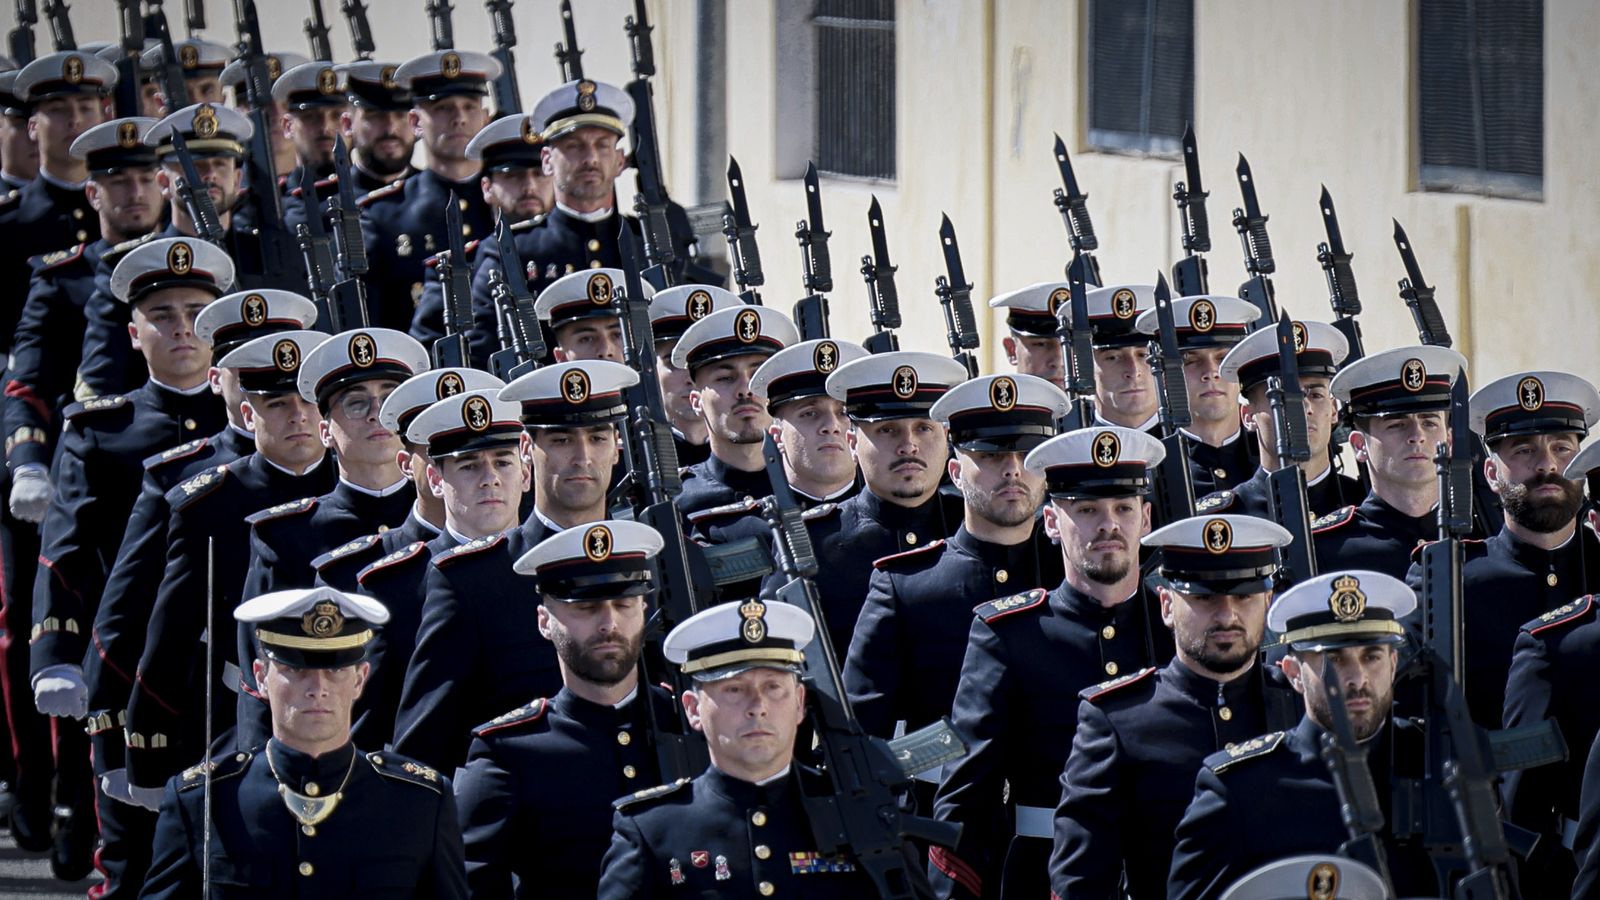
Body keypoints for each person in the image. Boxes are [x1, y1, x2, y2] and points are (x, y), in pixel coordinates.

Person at [87, 288, 319, 899]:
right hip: (212, 710)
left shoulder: (349, 480)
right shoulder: (192, 486)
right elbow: (135, 615)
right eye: (263, 385)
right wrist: (124, 737)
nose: (294, 414)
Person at [928, 425, 1176, 900]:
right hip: (1041, 875)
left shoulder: (1176, 629)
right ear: (1050, 522)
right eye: (1086, 510)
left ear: (1146, 519)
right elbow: (965, 800)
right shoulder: (1009, 635)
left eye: (1123, 508)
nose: (1108, 525)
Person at [118, 330, 338, 810]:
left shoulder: (353, 493)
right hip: (233, 707)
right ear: (246, 414)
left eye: (308, 403)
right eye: (277, 404)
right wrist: (147, 742)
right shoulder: (208, 504)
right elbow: (172, 628)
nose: (298, 416)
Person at [139, 587, 468, 899]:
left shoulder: (419, 802)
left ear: (360, 678)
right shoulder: (204, 799)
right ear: (260, 677)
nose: (318, 688)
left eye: (336, 669)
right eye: (295, 669)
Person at [393, 359, 637, 771]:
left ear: (617, 446)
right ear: (527, 451)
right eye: (561, 440)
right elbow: (421, 758)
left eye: (597, 437)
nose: (582, 457)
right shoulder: (473, 582)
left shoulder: (652, 561)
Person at [1048, 514, 1299, 899]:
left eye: (1245, 596)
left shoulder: (1302, 706)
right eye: (1204, 597)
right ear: (1166, 605)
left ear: (1268, 602)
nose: (1227, 615)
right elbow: (1080, 881)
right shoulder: (1119, 720)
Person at [1166, 569, 1437, 899]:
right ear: (1293, 674)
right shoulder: (1241, 789)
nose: (1357, 678)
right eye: (1334, 660)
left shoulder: (1438, 759)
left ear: (1394, 664)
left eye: (1371, 657)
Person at [597, 599, 885, 898]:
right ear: (693, 709)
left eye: (773, 687)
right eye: (734, 689)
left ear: (799, 703)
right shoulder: (652, 832)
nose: (757, 707)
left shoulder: (859, 812)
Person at [455, 520, 678, 896]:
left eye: (623, 604)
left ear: (643, 609)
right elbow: (470, 883)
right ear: (544, 622)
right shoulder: (510, 751)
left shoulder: (694, 723)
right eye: (587, 607)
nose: (609, 623)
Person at [844, 373, 1065, 739]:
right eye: (991, 455)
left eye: (1026, 455)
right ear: (956, 472)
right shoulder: (906, 587)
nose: (1012, 469)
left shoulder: (1070, 575)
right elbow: (864, 735)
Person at [1408, 371, 1600, 730]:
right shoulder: (1450, 578)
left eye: (1562, 448)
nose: (1547, 465)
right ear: (1492, 475)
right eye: (1525, 450)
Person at [5, 115, 164, 525]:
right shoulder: (62, 278)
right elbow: (29, 382)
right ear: (93, 193)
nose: (136, 193)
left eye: (147, 179)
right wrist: (29, 462)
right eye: (119, 182)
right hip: (90, 467)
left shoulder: (192, 271)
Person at [355, 386, 525, 750]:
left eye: (503, 461)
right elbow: (371, 731)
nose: (489, 478)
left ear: (526, 473)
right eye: (469, 465)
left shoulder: (549, 567)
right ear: (434, 480)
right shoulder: (394, 587)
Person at [795, 351, 970, 658]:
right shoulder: (811, 542)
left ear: (947, 440)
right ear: (852, 443)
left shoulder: (973, 528)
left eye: (923, 428)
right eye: (887, 430)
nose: (908, 446)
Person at [79, 101, 259, 397]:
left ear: (238, 179)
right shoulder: (130, 265)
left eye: (219, 164)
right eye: (195, 165)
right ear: (163, 182)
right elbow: (101, 381)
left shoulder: (274, 252)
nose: (208, 176)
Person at [240, 328, 428, 596]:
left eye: (389, 401)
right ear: (325, 431)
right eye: (356, 403)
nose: (376, 414)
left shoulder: (446, 517)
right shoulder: (287, 537)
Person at [512, 79, 718, 294]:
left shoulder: (650, 242)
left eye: (602, 145)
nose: (591, 158)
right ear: (547, 161)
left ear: (620, 161)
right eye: (574, 146)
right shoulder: (515, 251)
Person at [309, 366, 505, 591]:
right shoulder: (368, 576)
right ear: (406, 464)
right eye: (437, 453)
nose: (484, 474)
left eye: (500, 459)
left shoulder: (539, 557)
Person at [358, 50, 496, 333]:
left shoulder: (512, 201)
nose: (458, 118)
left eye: (469, 106)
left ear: (485, 118)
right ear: (415, 123)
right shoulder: (382, 215)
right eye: (443, 108)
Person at [688, 336, 869, 545]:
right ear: (777, 435)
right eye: (810, 413)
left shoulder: (904, 521)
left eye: (844, 413)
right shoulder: (730, 533)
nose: (831, 425)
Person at [1312, 345, 1472, 578]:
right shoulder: (1326, 550)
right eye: (1396, 424)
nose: (1417, 436)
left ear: (1448, 440)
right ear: (1359, 445)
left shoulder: (1479, 540)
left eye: (1429, 423)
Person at [413, 110, 555, 355]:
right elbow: (427, 353)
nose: (529, 186)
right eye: (513, 175)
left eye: (539, 174)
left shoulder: (570, 251)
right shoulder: (455, 270)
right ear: (487, 188)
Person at [1200, 317, 1363, 518]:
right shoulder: (1228, 519)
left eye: (1316, 395)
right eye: (1283, 396)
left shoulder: (1364, 505)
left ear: (1333, 410)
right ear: (1248, 416)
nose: (1304, 407)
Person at [670, 305, 799, 517]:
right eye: (725, 379)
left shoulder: (808, 488)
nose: (745, 390)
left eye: (758, 375)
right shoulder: (679, 504)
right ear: (696, 402)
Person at [1133, 293, 1262, 497]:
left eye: (1222, 358)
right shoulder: (1149, 475)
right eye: (1191, 361)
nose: (1211, 372)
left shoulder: (1271, 462)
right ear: (1166, 376)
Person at [647, 284, 742, 467]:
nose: (691, 378)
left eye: (708, 364)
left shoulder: (765, 458)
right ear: (652, 369)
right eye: (675, 362)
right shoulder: (631, 459)